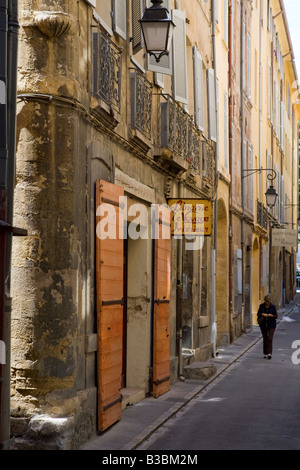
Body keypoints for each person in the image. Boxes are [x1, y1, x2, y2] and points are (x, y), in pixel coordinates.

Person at [257, 294, 278, 359]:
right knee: (265, 338)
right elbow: (258, 314)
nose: (267, 302)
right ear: (265, 301)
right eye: (266, 301)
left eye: (268, 301)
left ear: (270, 301)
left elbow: (276, 316)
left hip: (271, 324)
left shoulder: (273, 307)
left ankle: (269, 353)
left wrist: (271, 316)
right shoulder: (261, 306)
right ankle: (265, 353)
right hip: (263, 325)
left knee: (270, 338)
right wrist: (262, 314)